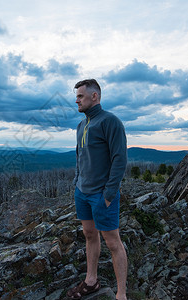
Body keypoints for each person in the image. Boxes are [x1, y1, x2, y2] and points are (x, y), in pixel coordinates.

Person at [67, 79, 128, 300]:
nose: (77, 100)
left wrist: (109, 194)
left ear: (95, 96)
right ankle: (91, 281)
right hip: (82, 192)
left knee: (113, 242)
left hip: (102, 195)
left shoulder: (110, 121)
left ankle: (121, 294)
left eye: (81, 96)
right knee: (89, 234)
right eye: (77, 96)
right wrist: (77, 180)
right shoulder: (82, 125)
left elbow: (120, 159)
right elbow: (79, 155)